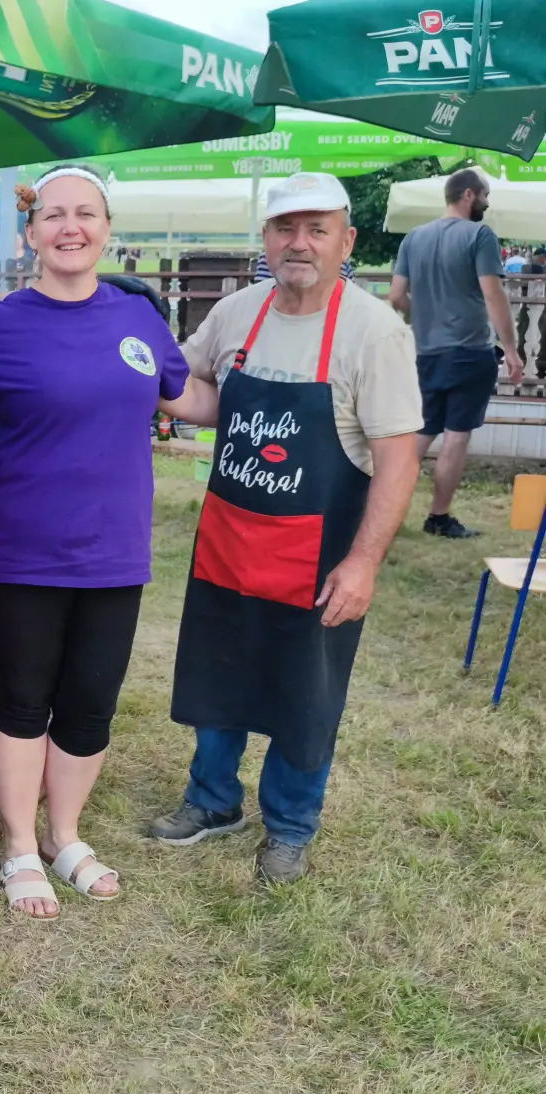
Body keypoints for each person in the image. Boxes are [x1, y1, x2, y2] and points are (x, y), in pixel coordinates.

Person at [0, 167, 219, 917]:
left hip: (114, 550)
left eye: (87, 215)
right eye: (55, 215)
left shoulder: (138, 319)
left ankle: (64, 833)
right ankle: (17, 845)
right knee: (24, 697)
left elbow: (189, 397)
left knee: (92, 702)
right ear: (32, 232)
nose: (71, 228)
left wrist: (276, 389)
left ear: (106, 228)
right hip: (17, 551)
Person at [151, 172, 423, 883]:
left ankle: (291, 823)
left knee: (306, 693)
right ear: (266, 238)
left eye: (316, 228)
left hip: (319, 553)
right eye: (284, 228)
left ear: (346, 240)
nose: (298, 243)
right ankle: (212, 800)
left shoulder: (374, 332)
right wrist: (143, 367)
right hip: (231, 540)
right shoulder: (239, 311)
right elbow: (204, 395)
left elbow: (399, 458)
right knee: (219, 672)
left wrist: (363, 563)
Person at [388, 168, 524, 539]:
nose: (487, 202)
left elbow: (397, 297)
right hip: (467, 350)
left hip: (425, 352)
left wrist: (426, 317)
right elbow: (493, 294)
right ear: (468, 195)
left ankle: (383, 510)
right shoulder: (479, 235)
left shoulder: (414, 238)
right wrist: (511, 348)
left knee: (422, 432)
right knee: (457, 434)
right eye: (485, 195)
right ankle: (439, 517)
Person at [255, 249, 354, 281]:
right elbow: (261, 293)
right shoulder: (271, 254)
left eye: (317, 231)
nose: (299, 245)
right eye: (286, 230)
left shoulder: (340, 257)